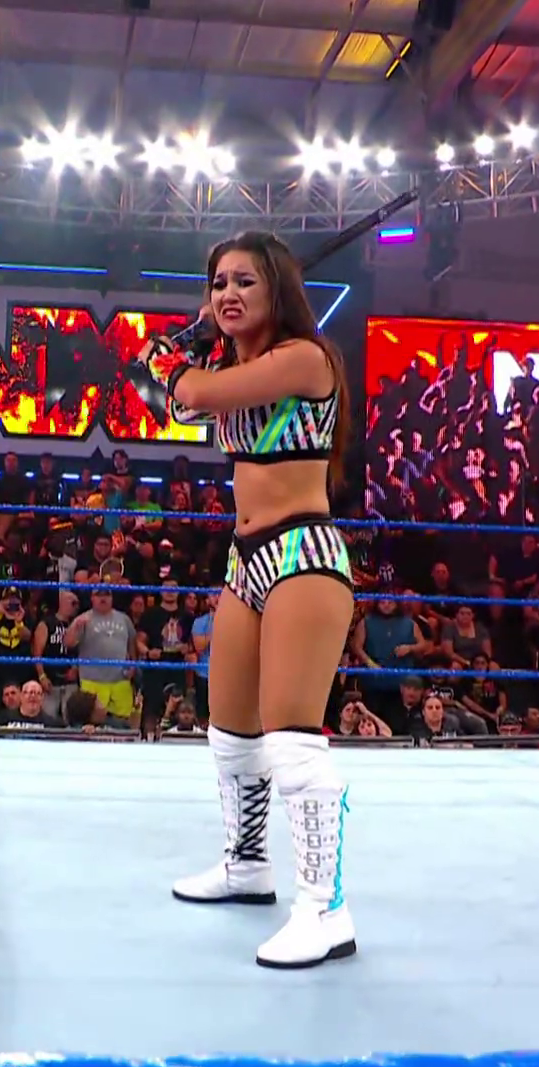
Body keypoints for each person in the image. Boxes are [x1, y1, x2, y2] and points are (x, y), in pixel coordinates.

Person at [138, 231, 357, 969]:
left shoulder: (306, 359)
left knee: (293, 741)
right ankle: (246, 865)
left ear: (277, 292)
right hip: (245, 560)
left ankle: (325, 908)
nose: (227, 294)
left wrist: (171, 360)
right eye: (218, 283)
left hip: (303, 556)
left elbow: (192, 395)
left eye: (244, 282)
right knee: (231, 732)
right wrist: (174, 358)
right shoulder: (237, 367)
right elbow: (175, 407)